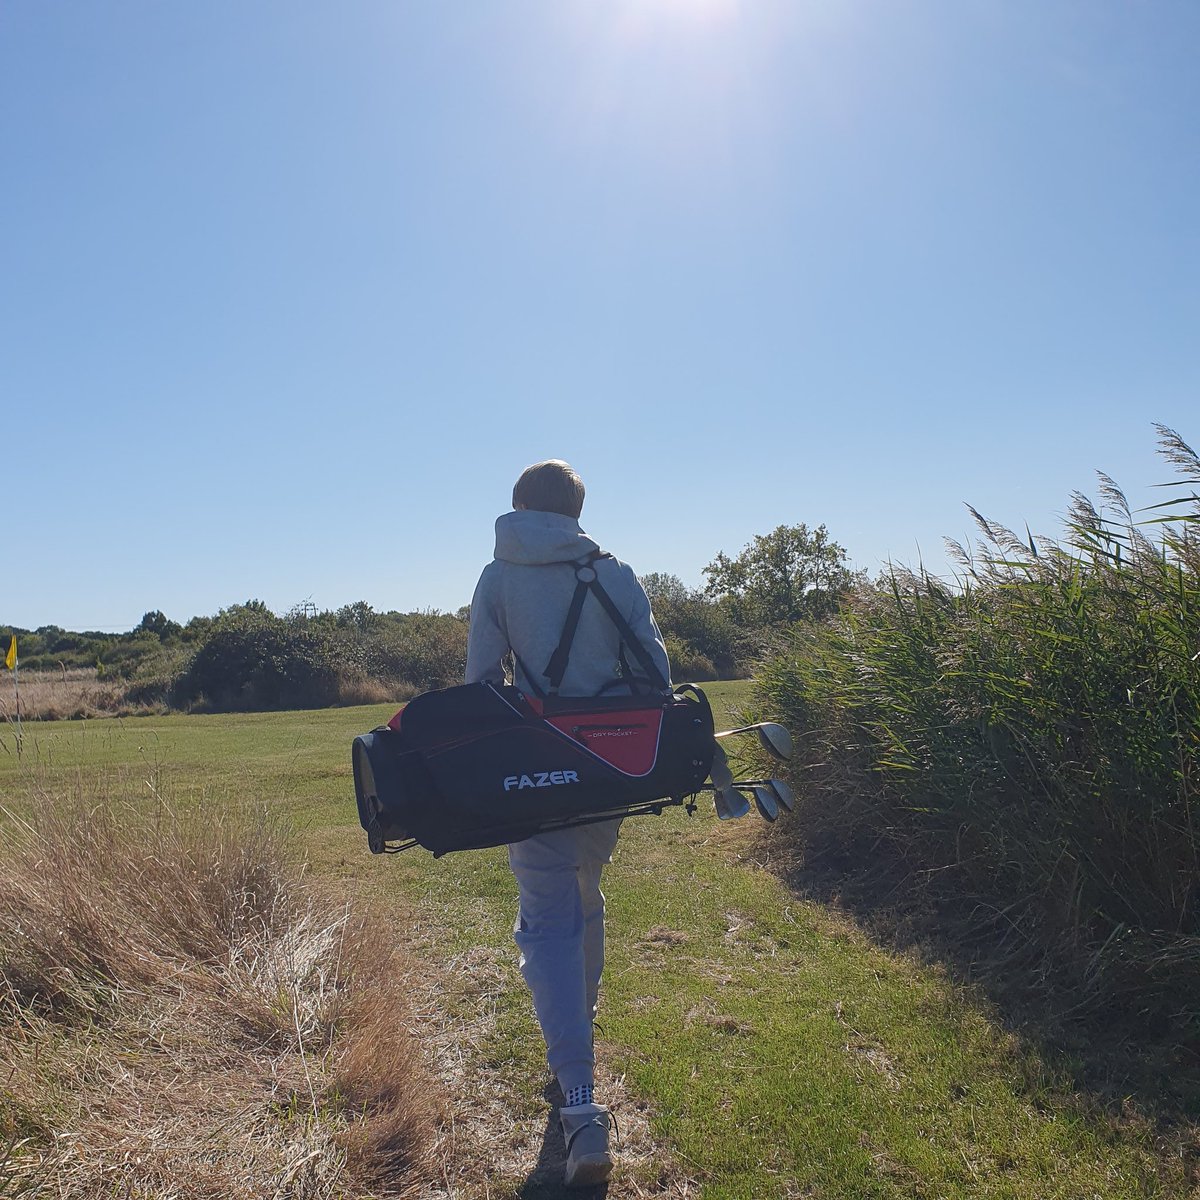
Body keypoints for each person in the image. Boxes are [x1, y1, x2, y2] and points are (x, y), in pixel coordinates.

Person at [464, 459, 671, 1189]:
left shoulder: (498, 578)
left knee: (546, 922)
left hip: (536, 770)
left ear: (519, 506)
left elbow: (480, 689)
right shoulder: (613, 570)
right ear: (577, 510)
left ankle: (580, 1104)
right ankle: (576, 1061)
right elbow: (656, 675)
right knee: (582, 901)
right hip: (611, 771)